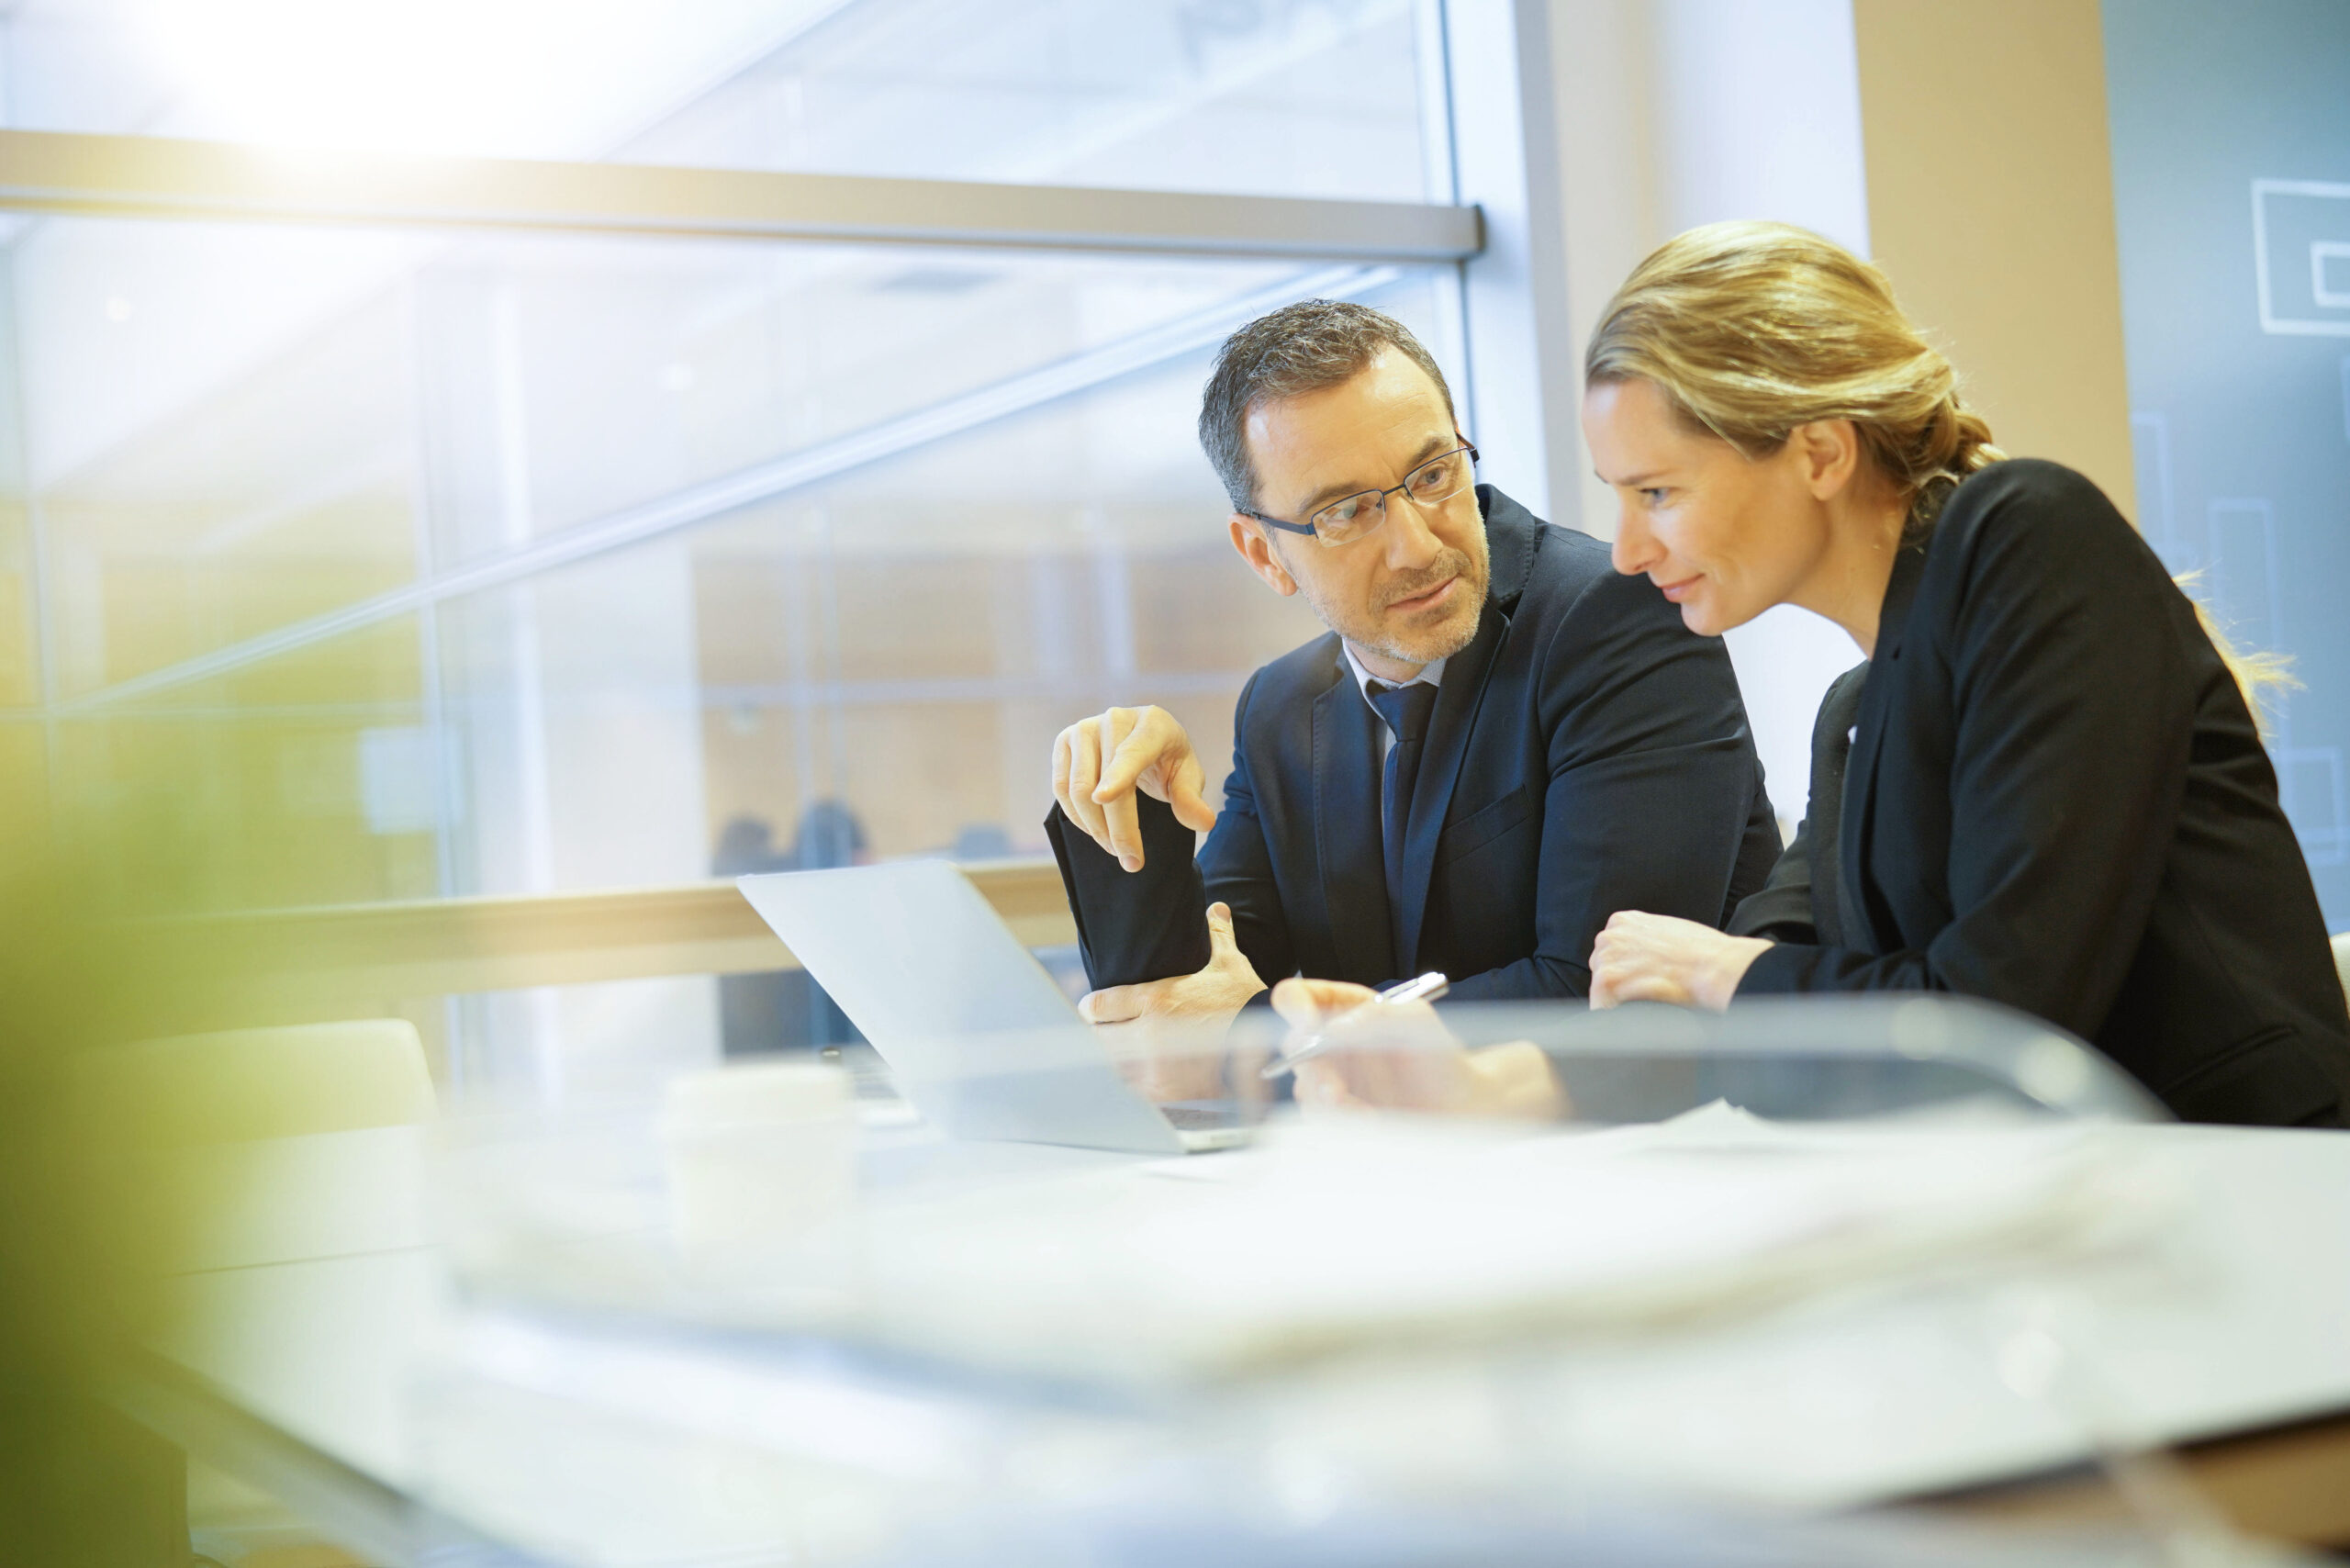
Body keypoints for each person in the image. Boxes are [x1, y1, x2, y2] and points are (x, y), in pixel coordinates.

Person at [1292, 221, 2350, 1129]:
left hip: (2263, 1202)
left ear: (1819, 453)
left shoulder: (2028, 536)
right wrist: (1461, 1084)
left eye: (1656, 492)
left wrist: (1717, 970)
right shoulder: (1856, 709)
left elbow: (2001, 1013)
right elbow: (1754, 1000)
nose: (1624, 548)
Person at [1045, 299, 1784, 1045]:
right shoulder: (1279, 708)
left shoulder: (1618, 616)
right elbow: (1191, 995)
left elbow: (1594, 993)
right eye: (1346, 511)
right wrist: (1135, 809)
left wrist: (1266, 1031)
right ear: (1265, 554)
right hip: (1405, 1149)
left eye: (1432, 473)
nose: (1416, 545)